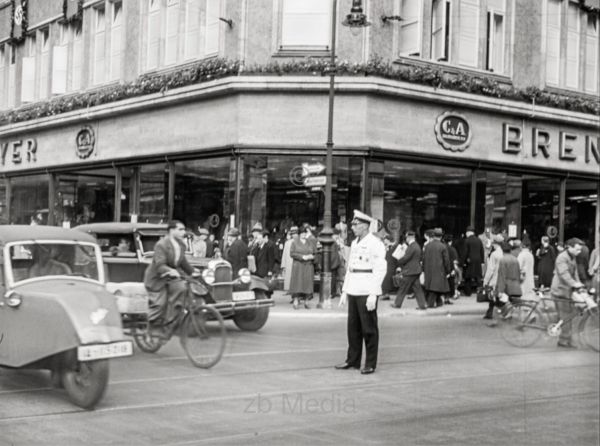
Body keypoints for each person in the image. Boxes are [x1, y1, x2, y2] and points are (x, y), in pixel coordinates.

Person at [335, 210, 386, 375]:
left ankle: (370, 363)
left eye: (355, 225)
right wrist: (345, 291)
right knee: (353, 328)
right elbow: (351, 268)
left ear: (365, 226)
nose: (352, 227)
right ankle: (353, 360)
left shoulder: (375, 243)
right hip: (355, 289)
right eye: (352, 224)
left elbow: (380, 269)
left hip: (367, 289)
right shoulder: (356, 242)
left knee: (369, 329)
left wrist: (373, 293)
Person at [144, 220, 200, 324]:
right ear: (171, 230)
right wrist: (171, 271)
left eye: (184, 229)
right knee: (159, 304)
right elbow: (159, 265)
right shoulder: (161, 244)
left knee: (182, 288)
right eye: (180, 229)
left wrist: (192, 271)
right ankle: (151, 328)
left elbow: (182, 261)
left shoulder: (181, 245)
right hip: (158, 278)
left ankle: (171, 318)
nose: (183, 232)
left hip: (171, 278)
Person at [550, 238, 586, 348]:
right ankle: (563, 340)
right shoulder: (562, 257)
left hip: (567, 290)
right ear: (569, 247)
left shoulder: (572, 257)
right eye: (577, 249)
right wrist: (574, 284)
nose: (579, 252)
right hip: (559, 290)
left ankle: (566, 338)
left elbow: (574, 273)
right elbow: (564, 273)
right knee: (565, 316)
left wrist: (578, 284)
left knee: (568, 315)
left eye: (580, 250)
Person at [391, 230, 427, 310]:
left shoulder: (412, 246)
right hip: (415, 270)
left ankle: (397, 304)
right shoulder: (416, 246)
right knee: (417, 289)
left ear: (410, 237)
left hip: (410, 271)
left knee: (403, 288)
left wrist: (398, 261)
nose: (406, 239)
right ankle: (422, 305)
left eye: (406, 237)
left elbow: (406, 258)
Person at [422, 227, 451, 308]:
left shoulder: (427, 246)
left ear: (433, 236)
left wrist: (423, 269)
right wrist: (448, 270)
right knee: (435, 287)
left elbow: (423, 259)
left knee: (433, 286)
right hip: (439, 270)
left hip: (428, 270)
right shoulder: (443, 246)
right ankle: (431, 303)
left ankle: (439, 302)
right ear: (441, 237)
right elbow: (446, 260)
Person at [289, 225, 316, 309]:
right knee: (297, 284)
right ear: (299, 234)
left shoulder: (310, 242)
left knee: (307, 284)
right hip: (298, 266)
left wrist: (312, 257)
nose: (304, 235)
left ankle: (307, 302)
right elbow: (292, 253)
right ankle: (296, 301)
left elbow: (315, 252)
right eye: (302, 233)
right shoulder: (294, 242)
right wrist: (302, 257)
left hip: (308, 266)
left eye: (305, 233)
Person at [495, 241, 523, 314]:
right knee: (512, 305)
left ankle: (503, 319)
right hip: (515, 286)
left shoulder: (503, 260)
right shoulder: (515, 259)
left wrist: (500, 290)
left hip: (507, 287)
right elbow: (518, 274)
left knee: (502, 305)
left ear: (502, 250)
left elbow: (502, 276)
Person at [482, 234, 504, 319]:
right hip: (502, 279)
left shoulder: (494, 254)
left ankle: (490, 313)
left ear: (496, 244)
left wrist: (485, 280)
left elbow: (490, 269)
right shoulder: (504, 253)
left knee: (493, 296)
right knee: (497, 296)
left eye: (493, 244)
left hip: (494, 279)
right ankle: (490, 312)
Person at [461, 226, 485, 296]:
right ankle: (481, 293)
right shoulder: (479, 240)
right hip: (478, 261)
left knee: (467, 278)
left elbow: (465, 252)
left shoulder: (467, 240)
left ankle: (468, 293)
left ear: (468, 233)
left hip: (469, 261)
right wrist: (482, 261)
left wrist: (463, 262)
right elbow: (482, 251)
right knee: (478, 278)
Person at [280, 226, 298, 292]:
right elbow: (284, 254)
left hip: (296, 263)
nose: (294, 235)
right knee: (289, 277)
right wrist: (283, 265)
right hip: (289, 263)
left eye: (295, 233)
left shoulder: (298, 242)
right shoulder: (287, 243)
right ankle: (290, 290)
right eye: (293, 233)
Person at [380, 234, 398, 300]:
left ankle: (386, 294)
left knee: (387, 280)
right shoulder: (386, 246)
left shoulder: (394, 246)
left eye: (385, 240)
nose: (384, 241)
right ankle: (385, 293)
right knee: (385, 279)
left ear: (388, 240)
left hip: (391, 265)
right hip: (385, 265)